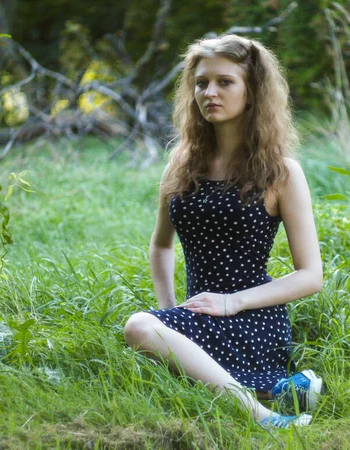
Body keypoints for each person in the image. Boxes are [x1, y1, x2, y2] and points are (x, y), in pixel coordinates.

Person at [124, 34, 324, 429]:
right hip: (199, 315)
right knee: (151, 327)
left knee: (136, 326)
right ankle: (278, 393)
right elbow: (161, 244)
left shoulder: (282, 172)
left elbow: (310, 276)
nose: (209, 92)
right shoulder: (180, 165)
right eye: (201, 83)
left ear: (253, 91)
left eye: (225, 82)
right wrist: (169, 310)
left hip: (253, 318)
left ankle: (264, 415)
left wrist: (232, 303)